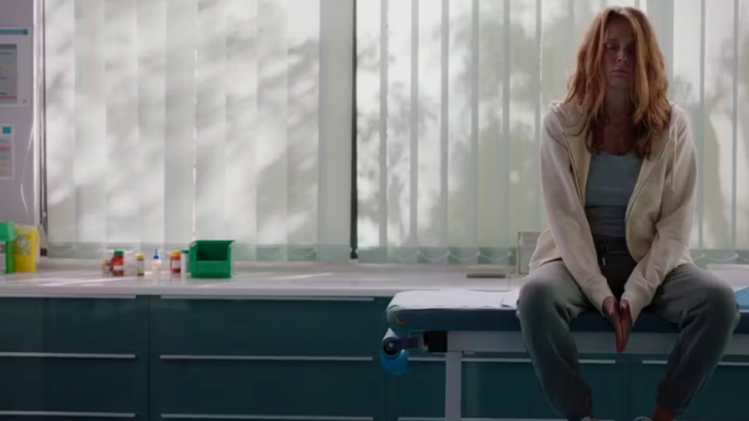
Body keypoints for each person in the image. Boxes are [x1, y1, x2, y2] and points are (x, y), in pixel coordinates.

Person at [517, 6, 739, 421]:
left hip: (651, 259)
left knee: (720, 302)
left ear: (647, 59)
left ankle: (663, 416)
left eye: (633, 49)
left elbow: (674, 229)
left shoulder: (673, 126)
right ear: (594, 56)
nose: (622, 57)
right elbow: (567, 222)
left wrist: (634, 295)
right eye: (611, 48)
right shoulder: (560, 123)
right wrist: (602, 295)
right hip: (577, 259)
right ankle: (581, 416)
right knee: (535, 297)